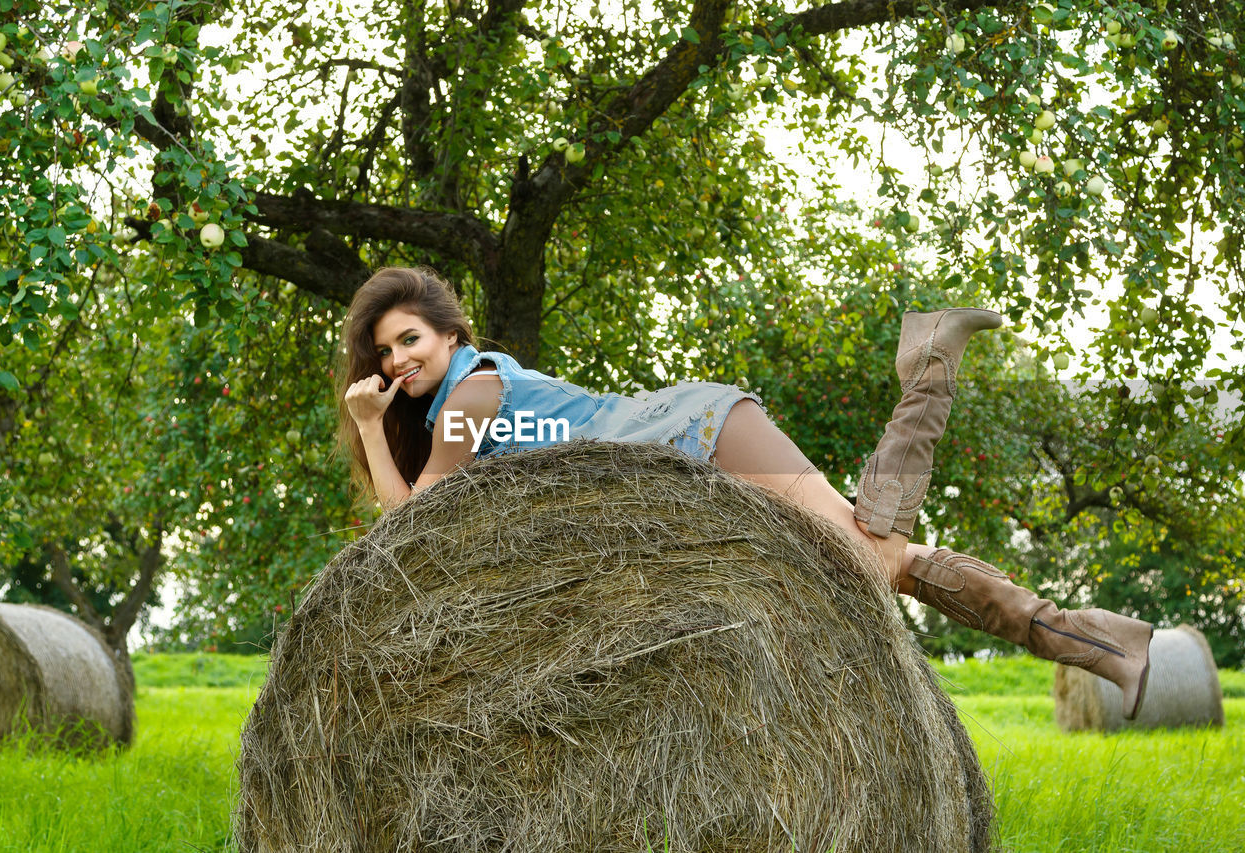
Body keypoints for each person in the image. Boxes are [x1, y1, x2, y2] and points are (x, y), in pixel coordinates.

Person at [338, 266, 1154, 719]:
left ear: (452, 333)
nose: (402, 358)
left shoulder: (473, 395)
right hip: (678, 460)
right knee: (882, 559)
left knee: (866, 559)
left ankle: (931, 358)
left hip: (692, 435)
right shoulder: (461, 402)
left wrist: (371, 426)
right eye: (387, 349)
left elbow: (414, 523)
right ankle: (1102, 642)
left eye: (412, 337)